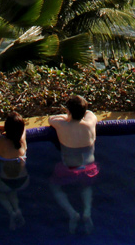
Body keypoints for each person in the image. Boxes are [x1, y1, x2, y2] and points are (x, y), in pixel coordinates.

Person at [49, 95, 98, 234]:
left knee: (55, 187)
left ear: (68, 111)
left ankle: (72, 213)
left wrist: (67, 116)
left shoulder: (62, 125)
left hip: (68, 170)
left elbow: (51, 119)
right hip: (89, 170)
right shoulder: (90, 123)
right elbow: (90, 114)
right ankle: (87, 211)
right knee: (86, 187)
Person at [0, 112, 28, 230]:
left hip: (5, 182)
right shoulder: (22, 142)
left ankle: (11, 212)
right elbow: (23, 128)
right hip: (24, 182)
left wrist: (3, 128)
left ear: (7, 128)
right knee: (13, 191)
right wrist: (12, 129)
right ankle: (17, 209)